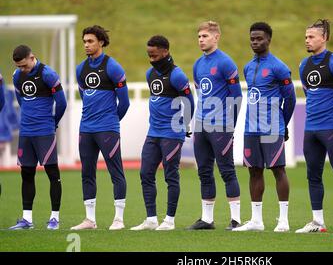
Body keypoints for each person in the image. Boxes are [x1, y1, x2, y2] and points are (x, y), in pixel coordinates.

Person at [233, 22, 296, 232]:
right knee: (254, 171)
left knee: (278, 170)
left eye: (259, 38)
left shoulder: (279, 67)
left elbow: (291, 100)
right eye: (252, 38)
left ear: (269, 39)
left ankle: (284, 221)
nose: (255, 42)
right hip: (251, 128)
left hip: (272, 128)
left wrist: (282, 124)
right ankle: (256, 221)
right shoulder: (248, 66)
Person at [296, 19, 333, 234]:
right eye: (306, 37)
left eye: (311, 37)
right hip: (310, 129)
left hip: (332, 128)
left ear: (324, 38)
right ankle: (317, 222)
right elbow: (308, 94)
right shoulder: (303, 65)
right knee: (313, 174)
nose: (307, 40)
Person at [131, 35, 194, 231]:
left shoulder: (177, 76)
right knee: (145, 173)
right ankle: (151, 219)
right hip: (153, 131)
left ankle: (169, 220)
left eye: (154, 54)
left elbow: (190, 101)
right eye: (149, 54)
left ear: (165, 52)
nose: (151, 58)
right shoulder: (150, 73)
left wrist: (185, 124)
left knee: (170, 175)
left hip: (172, 132)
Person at [71, 25, 130, 231]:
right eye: (84, 41)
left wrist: (111, 122)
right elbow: (84, 95)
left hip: (107, 129)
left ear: (101, 42)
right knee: (87, 173)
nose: (86, 45)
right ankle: (89, 220)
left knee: (116, 172)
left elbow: (124, 103)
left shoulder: (113, 67)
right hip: (86, 129)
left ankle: (119, 219)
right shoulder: (80, 69)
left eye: (90, 41)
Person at [188, 21, 243, 230]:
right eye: (199, 36)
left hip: (221, 126)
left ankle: (236, 220)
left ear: (216, 37)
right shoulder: (197, 64)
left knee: (227, 171)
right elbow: (199, 94)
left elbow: (237, 97)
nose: (201, 39)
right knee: (204, 171)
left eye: (205, 36)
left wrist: (231, 125)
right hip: (201, 126)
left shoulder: (226, 63)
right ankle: (207, 219)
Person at [9, 45, 67, 230]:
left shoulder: (48, 74)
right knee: (26, 174)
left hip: (45, 132)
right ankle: (27, 220)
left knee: (52, 174)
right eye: (19, 67)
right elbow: (21, 100)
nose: (22, 70)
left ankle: (54, 219)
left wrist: (52, 123)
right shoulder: (17, 76)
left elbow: (62, 103)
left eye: (24, 66)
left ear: (32, 57)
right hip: (26, 132)